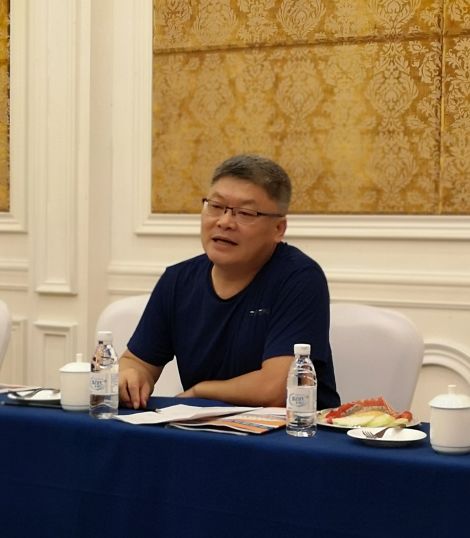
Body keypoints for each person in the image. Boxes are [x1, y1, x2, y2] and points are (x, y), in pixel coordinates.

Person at [119, 154, 340, 410]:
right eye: (215, 206)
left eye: (245, 213)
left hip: (293, 430)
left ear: (278, 229)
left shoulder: (299, 278)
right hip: (201, 428)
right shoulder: (177, 280)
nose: (224, 222)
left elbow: (278, 389)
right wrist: (131, 376)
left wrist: (201, 391)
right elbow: (137, 362)